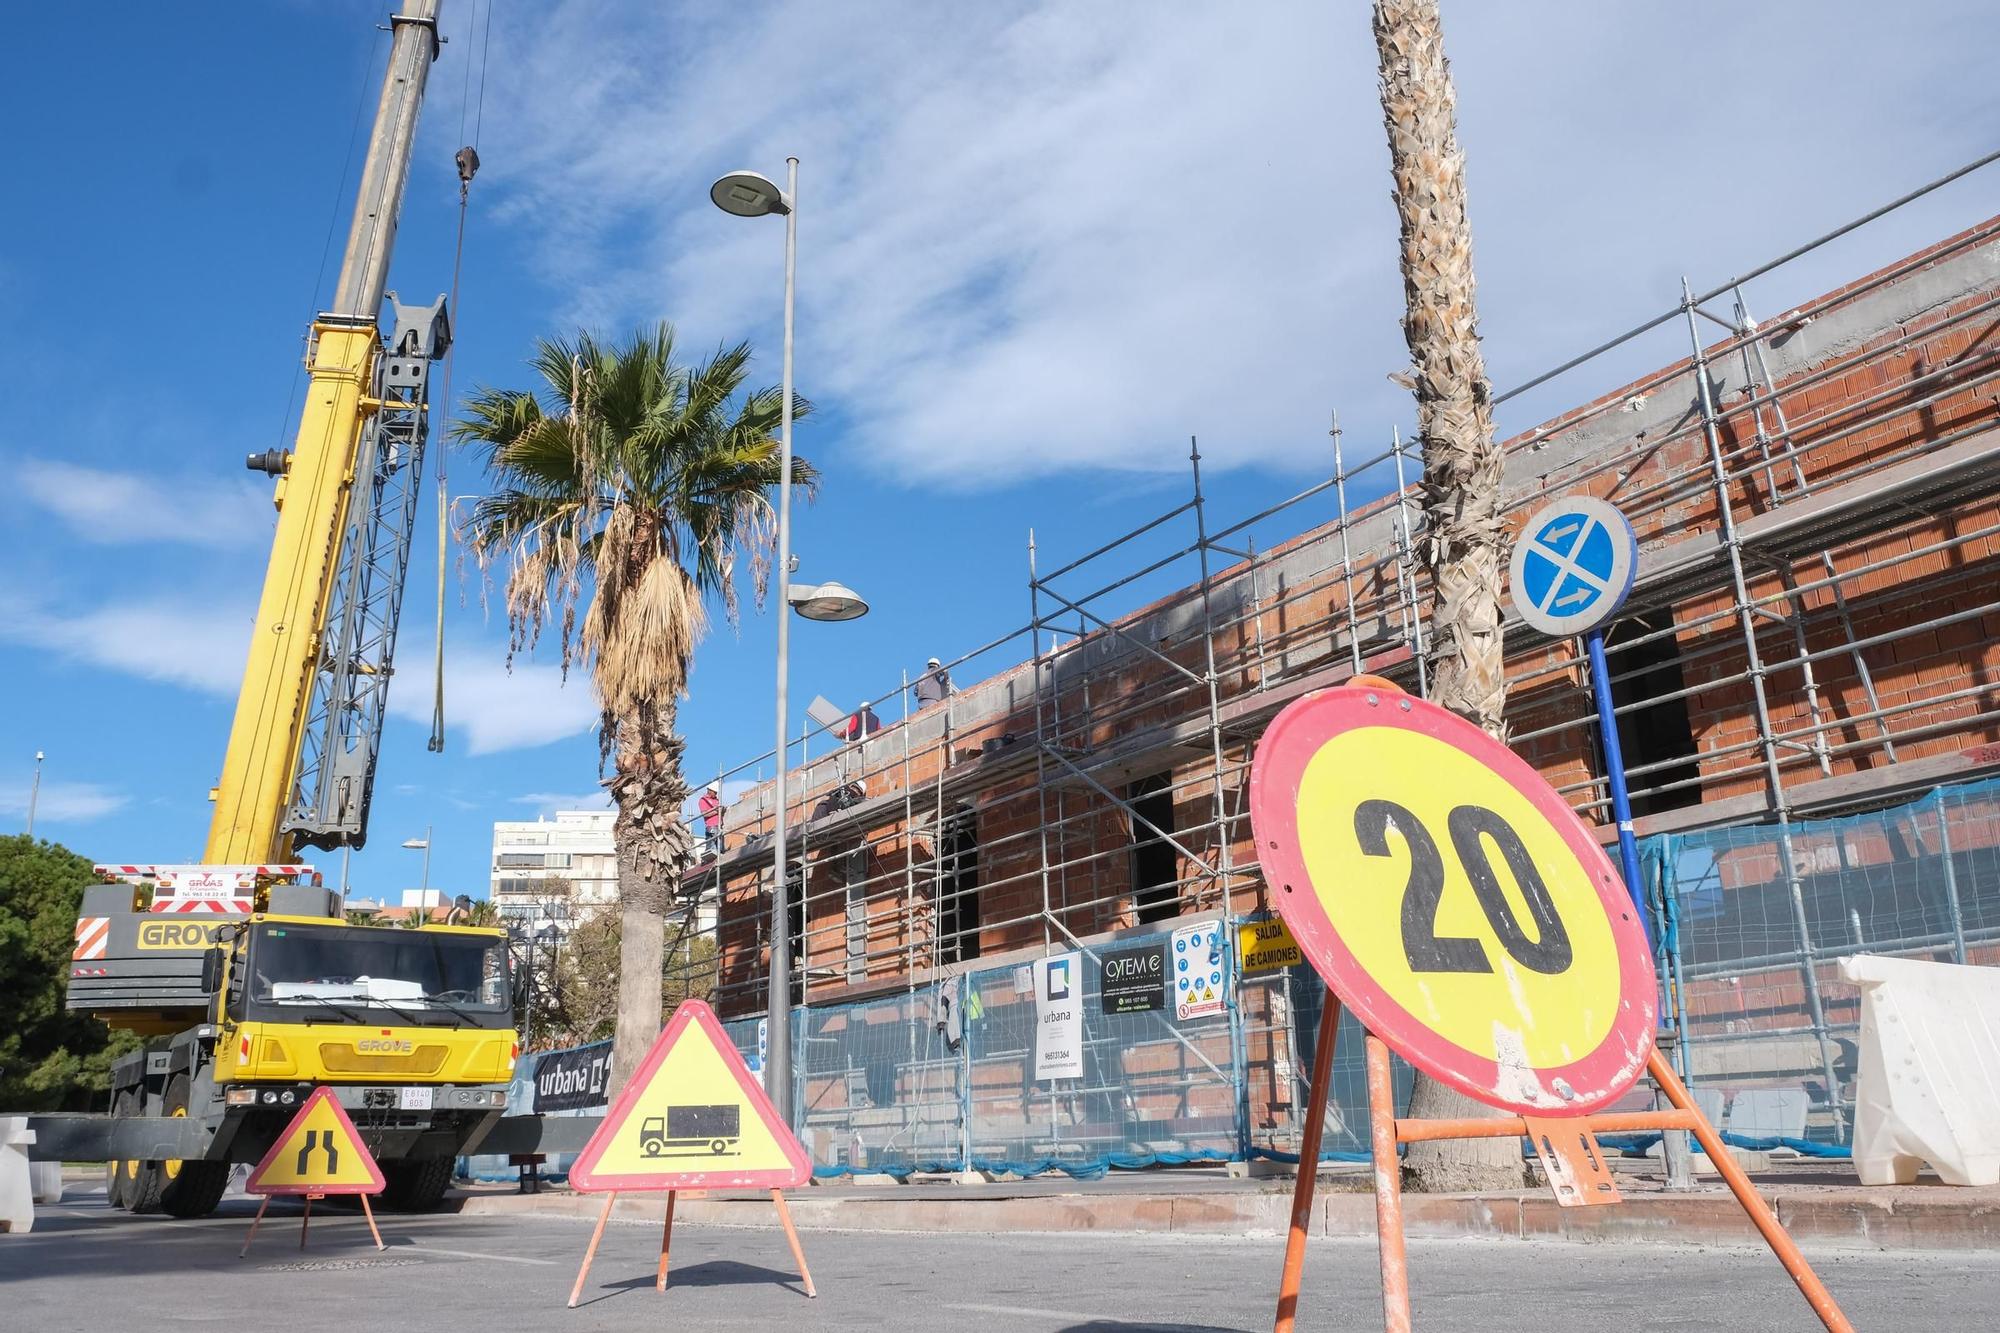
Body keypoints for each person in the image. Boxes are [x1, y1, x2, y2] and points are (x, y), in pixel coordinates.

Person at [697, 780, 721, 861]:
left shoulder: (716, 800)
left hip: (720, 826)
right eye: (715, 792)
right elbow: (705, 814)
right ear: (710, 791)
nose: (716, 794)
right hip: (711, 827)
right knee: (711, 850)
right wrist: (716, 811)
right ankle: (707, 863)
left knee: (720, 850)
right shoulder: (703, 800)